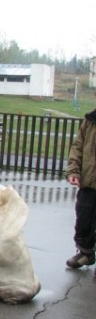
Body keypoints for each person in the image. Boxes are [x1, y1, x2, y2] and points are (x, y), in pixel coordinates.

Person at [65, 108, 96, 270]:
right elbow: (78, 146)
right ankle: (86, 253)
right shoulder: (91, 120)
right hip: (89, 182)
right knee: (83, 220)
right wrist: (73, 170)